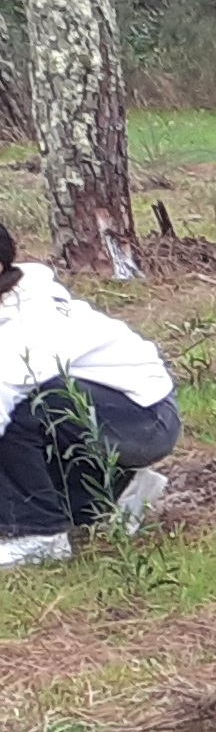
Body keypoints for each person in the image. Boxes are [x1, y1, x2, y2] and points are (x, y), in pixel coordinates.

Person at [0, 220, 180, 567]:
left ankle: (39, 536)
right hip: (106, 410)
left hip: (145, 420)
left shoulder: (25, 321)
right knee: (32, 411)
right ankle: (120, 490)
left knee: (25, 411)